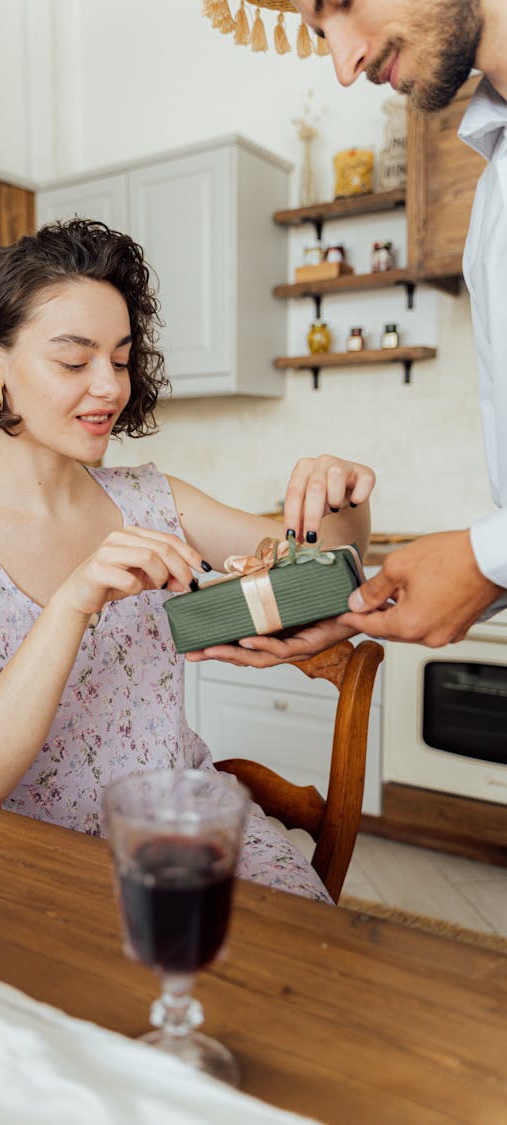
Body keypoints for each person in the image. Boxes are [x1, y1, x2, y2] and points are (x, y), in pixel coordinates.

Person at [0, 218, 375, 904]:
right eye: (73, 359)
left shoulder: (154, 497)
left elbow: (326, 566)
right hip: (35, 863)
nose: (110, 387)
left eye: (119, 359)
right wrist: (72, 601)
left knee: (308, 963)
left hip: (190, 823)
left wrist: (343, 496)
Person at [201, 0, 507, 674]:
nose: (344, 65)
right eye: (317, 33)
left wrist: (485, 556)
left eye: (338, 3)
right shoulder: (492, 197)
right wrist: (355, 607)